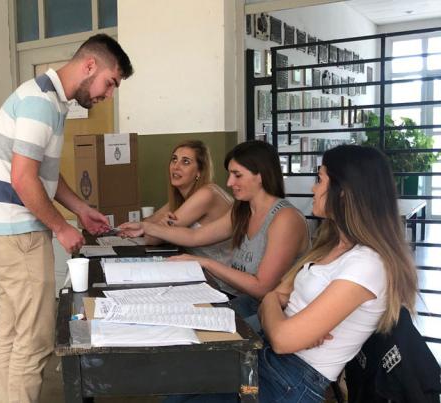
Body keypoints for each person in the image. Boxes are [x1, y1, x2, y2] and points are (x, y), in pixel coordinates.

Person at [168, 144, 419, 402]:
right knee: (178, 388)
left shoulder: (367, 264)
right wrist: (283, 315)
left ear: (343, 193)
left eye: (320, 180)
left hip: (290, 381)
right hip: (267, 358)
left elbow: (282, 335)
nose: (314, 188)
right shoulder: (332, 245)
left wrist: (281, 315)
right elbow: (274, 299)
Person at [0, 34, 133, 403]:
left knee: (13, 331)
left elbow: (43, 172)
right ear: (89, 65)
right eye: (110, 83)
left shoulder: (50, 100)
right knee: (35, 339)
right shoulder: (39, 103)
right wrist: (60, 227)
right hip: (17, 234)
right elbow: (22, 178)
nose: (108, 94)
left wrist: (79, 209)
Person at [119, 141, 309, 325]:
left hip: (278, 313)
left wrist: (206, 262)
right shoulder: (242, 209)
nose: (229, 182)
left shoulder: (285, 219)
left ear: (260, 176)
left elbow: (262, 288)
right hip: (247, 301)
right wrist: (146, 227)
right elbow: (195, 237)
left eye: (237, 175)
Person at [118, 140, 233, 265]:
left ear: (199, 171)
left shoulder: (207, 194)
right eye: (174, 159)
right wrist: (157, 225)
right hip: (198, 269)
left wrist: (157, 227)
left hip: (220, 277)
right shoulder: (182, 198)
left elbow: (153, 238)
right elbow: (148, 223)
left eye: (186, 162)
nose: (176, 166)